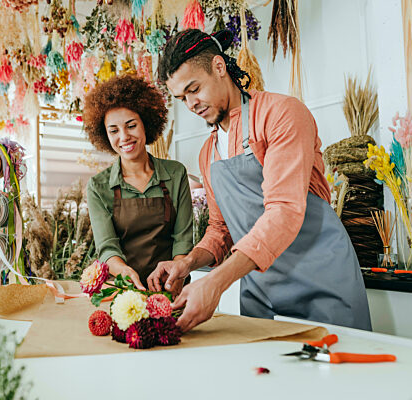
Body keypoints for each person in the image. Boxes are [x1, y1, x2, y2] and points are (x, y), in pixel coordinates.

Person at [148, 29, 372, 332]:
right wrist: (187, 263)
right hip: (260, 293)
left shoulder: (282, 114)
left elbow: (284, 212)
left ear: (218, 67)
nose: (191, 104)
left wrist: (217, 282)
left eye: (194, 89)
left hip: (320, 281)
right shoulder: (208, 153)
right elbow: (220, 230)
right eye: (181, 97)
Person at [84, 74, 193, 293]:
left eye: (131, 125)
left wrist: (176, 275)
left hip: (172, 284)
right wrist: (125, 273)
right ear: (105, 136)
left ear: (146, 123)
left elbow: (182, 238)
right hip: (123, 291)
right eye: (113, 130)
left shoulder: (175, 173)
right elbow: (107, 247)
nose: (124, 137)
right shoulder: (98, 186)